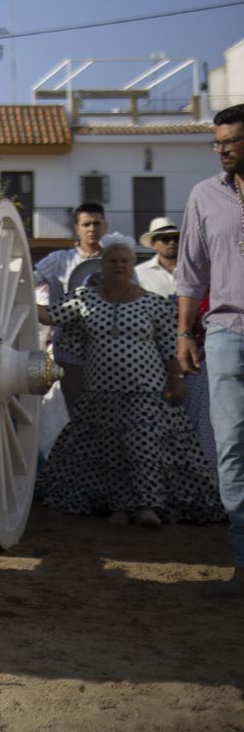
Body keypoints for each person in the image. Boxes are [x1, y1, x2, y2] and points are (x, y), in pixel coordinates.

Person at [39, 234, 222, 528]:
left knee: (144, 446)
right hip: (101, 392)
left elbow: (168, 346)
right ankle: (122, 507)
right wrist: (18, 296)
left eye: (124, 261)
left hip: (146, 391)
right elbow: (50, 315)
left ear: (132, 266)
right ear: (103, 266)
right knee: (111, 451)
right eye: (112, 261)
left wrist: (176, 379)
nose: (119, 266)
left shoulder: (152, 303)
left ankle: (149, 507)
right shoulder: (84, 299)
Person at [176, 103, 244, 592]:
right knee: (232, 446)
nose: (221, 150)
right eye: (216, 143)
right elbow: (191, 272)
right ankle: (243, 557)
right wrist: (184, 333)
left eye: (230, 141)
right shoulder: (203, 195)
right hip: (224, 331)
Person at [35, 202, 106, 407]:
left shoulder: (115, 261)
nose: (92, 229)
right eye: (86, 224)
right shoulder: (59, 260)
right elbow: (27, 281)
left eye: (96, 223)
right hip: (68, 351)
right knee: (73, 408)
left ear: (105, 226)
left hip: (108, 350)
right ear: (77, 228)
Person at [136, 217, 181, 296]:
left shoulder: (194, 270)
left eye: (176, 238)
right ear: (153, 244)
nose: (172, 242)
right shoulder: (138, 273)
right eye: (165, 239)